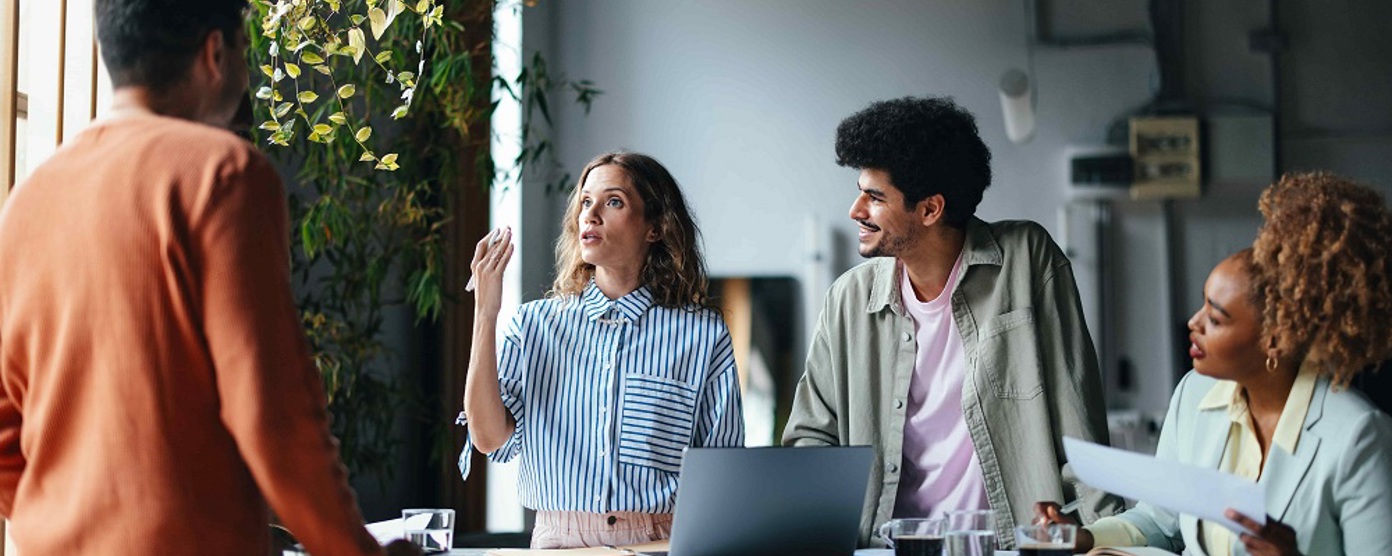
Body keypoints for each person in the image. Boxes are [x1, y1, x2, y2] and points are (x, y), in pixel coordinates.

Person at [0, 1, 413, 554]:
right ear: (215, 53)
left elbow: (5, 434)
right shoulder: (223, 174)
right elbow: (274, 419)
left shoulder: (29, 200)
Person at [782, 96, 1121, 548]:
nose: (856, 210)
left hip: (1007, 545)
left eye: (875, 196)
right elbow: (810, 438)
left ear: (930, 209)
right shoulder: (848, 299)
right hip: (887, 547)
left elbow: (1078, 420)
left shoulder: (1026, 260)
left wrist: (1106, 539)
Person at [1035, 173, 1392, 555]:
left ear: (1275, 339)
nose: (1194, 322)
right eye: (1203, 303)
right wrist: (1084, 537)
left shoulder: (1358, 436)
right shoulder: (1194, 394)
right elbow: (1161, 521)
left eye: (1216, 318)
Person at [459, 151, 744, 549]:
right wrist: (486, 313)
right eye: (585, 202)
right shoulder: (533, 325)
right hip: (559, 542)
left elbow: (723, 471)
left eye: (613, 202)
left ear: (656, 227)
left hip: (662, 541)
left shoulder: (703, 336)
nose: (590, 215)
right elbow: (489, 439)